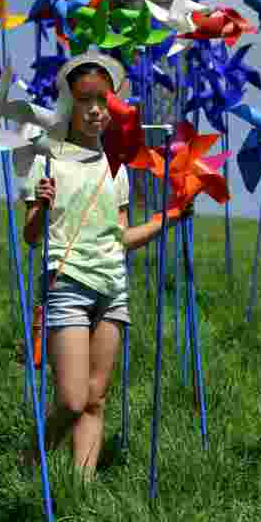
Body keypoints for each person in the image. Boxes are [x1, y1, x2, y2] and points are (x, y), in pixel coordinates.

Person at [19, 51, 192, 482]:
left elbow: (120, 238)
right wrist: (41, 204)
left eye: (103, 100)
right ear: (69, 103)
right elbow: (31, 236)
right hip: (69, 284)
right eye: (85, 99)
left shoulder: (117, 168)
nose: (95, 109)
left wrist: (166, 218)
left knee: (96, 397)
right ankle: (29, 463)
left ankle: (80, 491)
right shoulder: (46, 159)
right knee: (72, 400)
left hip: (112, 287)